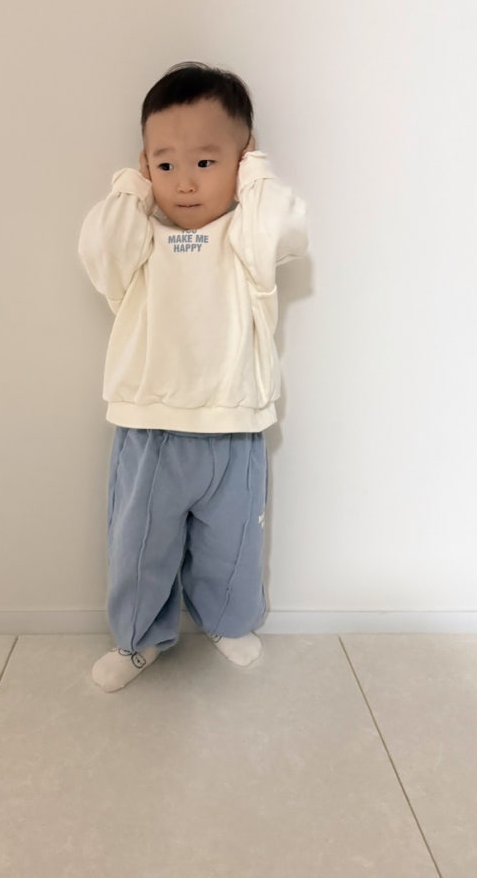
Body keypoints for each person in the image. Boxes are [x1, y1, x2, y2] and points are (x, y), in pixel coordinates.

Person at [78, 62, 308, 692]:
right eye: (165, 163)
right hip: (149, 429)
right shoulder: (140, 243)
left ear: (241, 159)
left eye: (206, 162)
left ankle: (227, 620)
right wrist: (133, 186)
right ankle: (136, 638)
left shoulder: (246, 241)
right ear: (147, 167)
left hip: (234, 428)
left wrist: (256, 174)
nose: (184, 182)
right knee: (139, 546)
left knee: (232, 543)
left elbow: (286, 227)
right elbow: (97, 250)